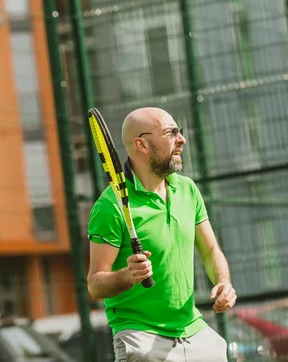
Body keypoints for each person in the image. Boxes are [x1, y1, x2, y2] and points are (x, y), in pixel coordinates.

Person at [86, 107, 236, 361]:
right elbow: (95, 284)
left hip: (193, 329)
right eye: (171, 132)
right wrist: (127, 275)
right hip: (141, 336)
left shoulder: (187, 190)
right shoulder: (109, 207)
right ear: (141, 144)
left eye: (180, 131)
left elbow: (211, 251)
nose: (181, 139)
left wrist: (223, 282)